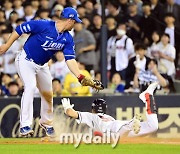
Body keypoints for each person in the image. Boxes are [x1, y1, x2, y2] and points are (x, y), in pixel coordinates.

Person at [0, 7, 103, 137]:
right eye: (75, 21)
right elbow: (20, 28)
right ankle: (25, 125)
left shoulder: (67, 38)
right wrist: (7, 45)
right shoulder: (44, 25)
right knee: (30, 87)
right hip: (25, 60)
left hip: (42, 65)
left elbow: (70, 60)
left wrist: (80, 76)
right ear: (69, 20)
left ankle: (47, 124)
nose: (75, 24)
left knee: (48, 94)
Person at [62, 82, 159, 137]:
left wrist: (67, 107)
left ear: (93, 108)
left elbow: (71, 113)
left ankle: (132, 123)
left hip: (115, 133)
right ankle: (148, 97)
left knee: (125, 127)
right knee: (153, 126)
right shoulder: (107, 117)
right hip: (119, 130)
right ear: (105, 108)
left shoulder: (90, 116)